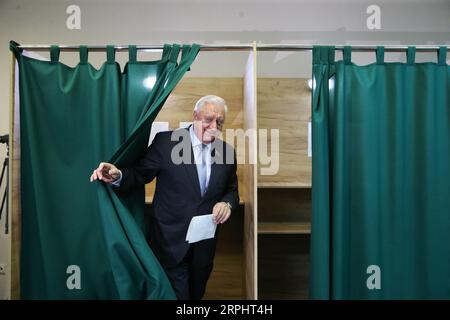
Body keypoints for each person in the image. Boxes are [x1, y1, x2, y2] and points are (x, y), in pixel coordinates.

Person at [90, 95, 239, 300]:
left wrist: (227, 204)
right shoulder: (167, 143)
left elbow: (231, 190)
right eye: (208, 119)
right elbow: (140, 174)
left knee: (196, 295)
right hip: (169, 244)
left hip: (204, 247)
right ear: (195, 116)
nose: (213, 126)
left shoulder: (227, 152)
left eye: (219, 122)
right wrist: (118, 175)